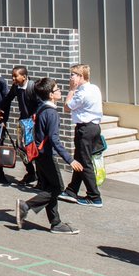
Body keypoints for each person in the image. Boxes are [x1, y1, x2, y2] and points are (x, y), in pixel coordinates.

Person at [15, 77, 81, 234]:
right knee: (58, 188)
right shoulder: (51, 113)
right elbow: (54, 139)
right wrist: (70, 159)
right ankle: (26, 206)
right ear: (51, 95)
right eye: (57, 89)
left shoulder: (40, 108)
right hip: (46, 156)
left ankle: (55, 223)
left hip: (38, 155)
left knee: (49, 188)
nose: (60, 91)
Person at [62, 64, 103, 206]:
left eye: (73, 75)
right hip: (94, 127)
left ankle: (94, 196)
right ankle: (71, 190)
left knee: (84, 162)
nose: (70, 78)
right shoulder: (94, 88)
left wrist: (71, 90)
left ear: (80, 76)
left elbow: (67, 107)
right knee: (79, 159)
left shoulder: (81, 93)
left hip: (85, 129)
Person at [9, 65, 41, 187]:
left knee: (34, 149)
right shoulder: (16, 87)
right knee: (20, 147)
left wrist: (35, 116)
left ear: (24, 76)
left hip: (33, 123)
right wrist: (0, 109)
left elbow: (40, 104)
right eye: (12, 76)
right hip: (22, 121)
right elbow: (8, 98)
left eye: (15, 76)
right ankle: (31, 173)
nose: (13, 79)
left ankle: (41, 177)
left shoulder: (33, 87)